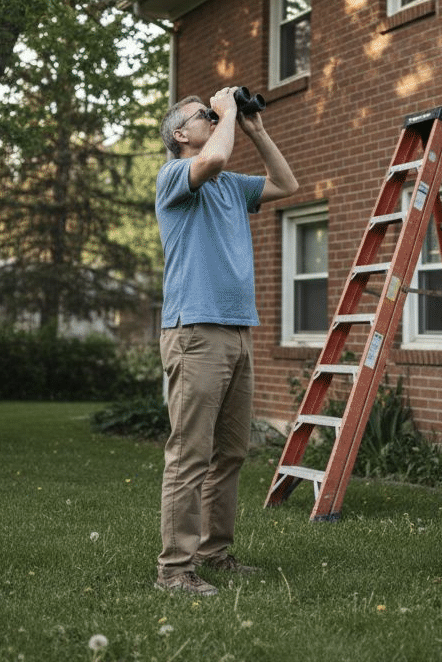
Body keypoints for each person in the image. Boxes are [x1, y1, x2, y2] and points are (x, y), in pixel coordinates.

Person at [153, 87, 299, 596]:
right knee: (190, 453)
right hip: (195, 331)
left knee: (231, 453)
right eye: (203, 116)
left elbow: (286, 182)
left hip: (237, 330)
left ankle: (214, 553)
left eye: (215, 114)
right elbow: (213, 157)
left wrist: (256, 130)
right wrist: (230, 112)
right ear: (180, 134)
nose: (213, 120)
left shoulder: (232, 186)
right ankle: (175, 570)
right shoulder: (175, 176)